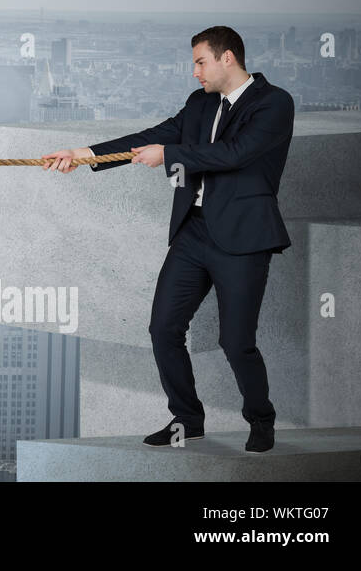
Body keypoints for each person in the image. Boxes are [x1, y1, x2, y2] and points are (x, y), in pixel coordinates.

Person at [41, 25, 294, 453]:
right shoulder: (199, 104)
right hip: (193, 232)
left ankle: (261, 420)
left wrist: (171, 155)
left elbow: (235, 153)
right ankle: (188, 420)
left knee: (236, 342)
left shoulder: (273, 103)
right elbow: (153, 137)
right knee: (163, 327)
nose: (195, 72)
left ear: (227, 58)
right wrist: (83, 155)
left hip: (243, 238)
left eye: (200, 62)